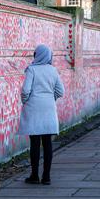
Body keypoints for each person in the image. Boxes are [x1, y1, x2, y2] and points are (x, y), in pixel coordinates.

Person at [17, 44, 65, 185]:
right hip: (49, 109)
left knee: (35, 143)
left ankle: (34, 176)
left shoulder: (32, 70)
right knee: (47, 143)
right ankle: (46, 177)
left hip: (34, 109)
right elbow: (60, 91)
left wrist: (25, 101)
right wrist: (51, 98)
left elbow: (25, 90)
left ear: (37, 55)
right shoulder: (53, 70)